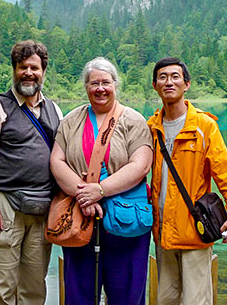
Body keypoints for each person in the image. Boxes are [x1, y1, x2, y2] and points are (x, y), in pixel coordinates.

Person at [148, 57, 227, 305]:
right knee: (166, 299)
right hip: (162, 231)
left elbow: (226, 172)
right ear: (155, 85)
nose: (169, 82)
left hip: (195, 229)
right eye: (162, 77)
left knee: (196, 301)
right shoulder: (152, 127)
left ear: (187, 84)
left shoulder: (204, 126)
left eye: (175, 77)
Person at [50, 57, 153, 304]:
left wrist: (100, 190)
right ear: (86, 87)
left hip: (126, 218)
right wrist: (83, 195)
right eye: (94, 83)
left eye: (106, 82)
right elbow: (57, 161)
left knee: (127, 289)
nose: (100, 89)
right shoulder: (71, 121)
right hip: (80, 216)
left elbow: (141, 164)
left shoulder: (133, 120)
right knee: (79, 290)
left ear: (115, 85)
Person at [0, 40, 63, 304]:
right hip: (4, 207)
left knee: (33, 288)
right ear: (14, 70)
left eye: (34, 67)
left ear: (44, 71)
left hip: (42, 208)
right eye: (22, 67)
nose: (28, 73)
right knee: (1, 288)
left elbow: (64, 157)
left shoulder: (54, 110)